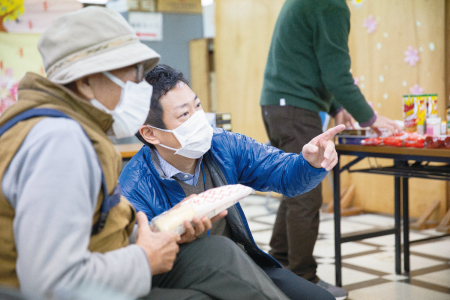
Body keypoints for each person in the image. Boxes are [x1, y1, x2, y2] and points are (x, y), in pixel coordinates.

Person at [0, 7, 292, 300]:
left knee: (217, 252)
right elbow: (51, 283)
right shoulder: (60, 142)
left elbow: (96, 237)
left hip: (114, 263)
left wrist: (160, 232)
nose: (139, 84)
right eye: (131, 71)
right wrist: (143, 257)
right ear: (85, 81)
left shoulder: (54, 125)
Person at [119, 64, 345, 300]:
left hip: (243, 263)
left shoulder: (222, 144)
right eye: (184, 114)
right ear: (151, 134)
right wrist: (176, 233)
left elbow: (282, 172)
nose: (198, 119)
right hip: (187, 279)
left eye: (197, 106)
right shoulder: (133, 187)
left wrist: (309, 163)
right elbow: (142, 259)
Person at [259, 0, 403, 299]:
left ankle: (279, 268)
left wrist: (337, 106)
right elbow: (337, 71)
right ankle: (303, 279)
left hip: (279, 104)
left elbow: (315, 61)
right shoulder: (332, 4)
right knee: (306, 194)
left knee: (294, 188)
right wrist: (371, 119)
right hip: (296, 107)